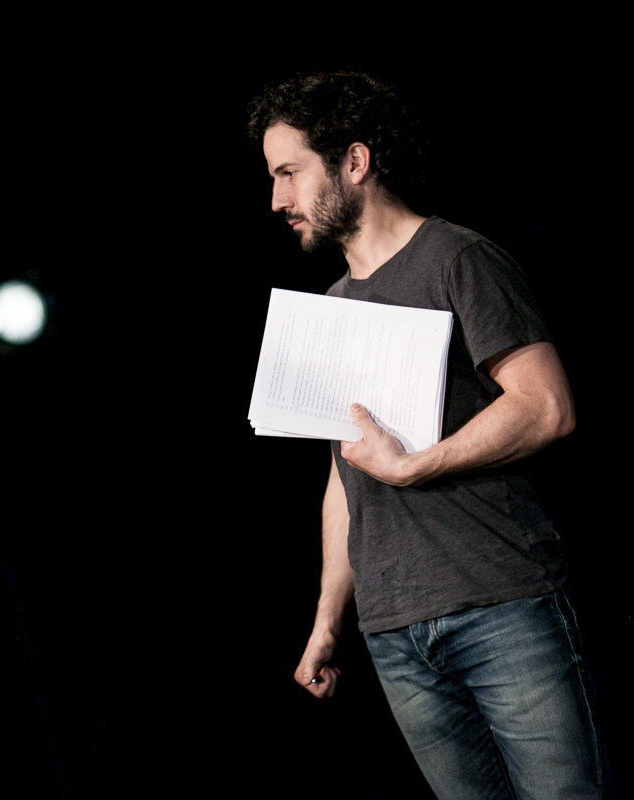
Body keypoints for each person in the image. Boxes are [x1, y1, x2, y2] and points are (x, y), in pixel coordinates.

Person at [248, 74, 609, 798]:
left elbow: (546, 405)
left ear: (355, 162)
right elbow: (345, 474)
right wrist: (327, 622)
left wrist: (414, 466)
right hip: (394, 634)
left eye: (289, 173)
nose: (277, 201)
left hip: (500, 605)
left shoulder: (457, 259)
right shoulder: (332, 306)